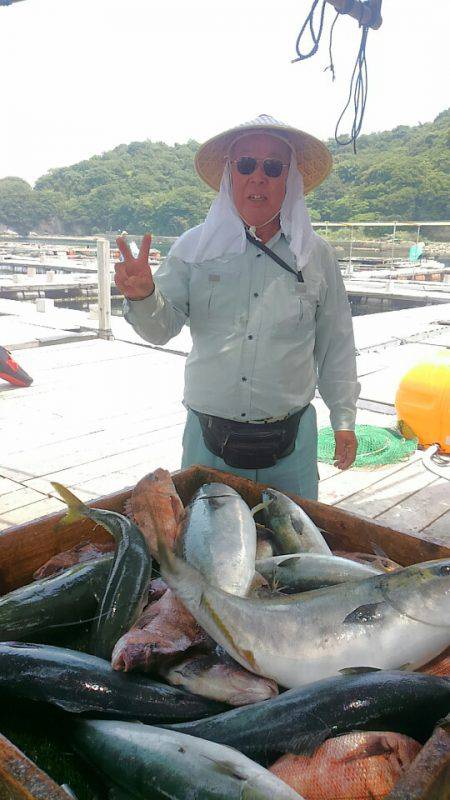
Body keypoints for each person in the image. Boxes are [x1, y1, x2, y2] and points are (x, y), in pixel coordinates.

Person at [115, 115, 359, 500]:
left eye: (272, 167)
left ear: (289, 180)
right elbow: (159, 330)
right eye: (245, 164)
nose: (257, 177)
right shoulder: (193, 249)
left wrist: (343, 418)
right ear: (230, 174)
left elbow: (337, 342)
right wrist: (143, 295)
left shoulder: (316, 255)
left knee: (295, 552)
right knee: (202, 554)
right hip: (208, 442)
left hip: (291, 445)